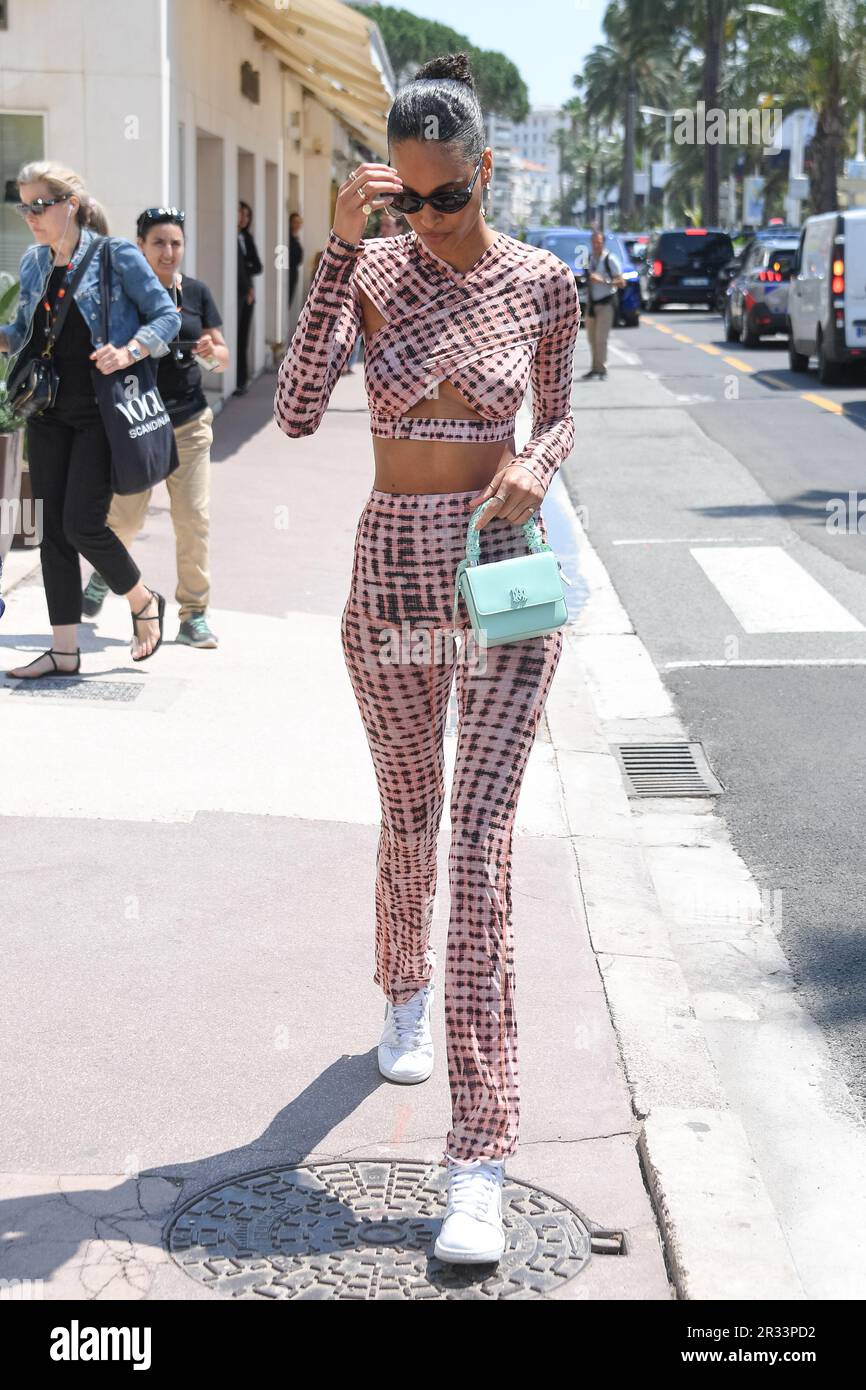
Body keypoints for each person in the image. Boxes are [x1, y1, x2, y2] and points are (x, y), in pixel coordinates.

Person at [274, 51, 580, 1265]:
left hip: (502, 577)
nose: (427, 215)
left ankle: (479, 1159)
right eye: (407, 196)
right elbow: (298, 410)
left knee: (480, 841)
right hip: (391, 570)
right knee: (409, 815)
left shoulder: (543, 283)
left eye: (445, 194)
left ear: (485, 172)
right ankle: (399, 983)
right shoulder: (373, 268)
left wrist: (536, 464)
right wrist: (340, 250)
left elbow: (555, 410)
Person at [0, 161, 181, 678]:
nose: (31, 215)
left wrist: (129, 351)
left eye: (40, 204)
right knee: (52, 533)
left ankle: (142, 598)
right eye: (24, 205)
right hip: (47, 413)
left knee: (81, 524)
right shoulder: (35, 264)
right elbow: (21, 331)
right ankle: (63, 650)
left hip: (102, 414)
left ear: (70, 205)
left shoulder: (114, 254)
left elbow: (164, 316)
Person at [81, 207, 229, 649]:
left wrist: (208, 350)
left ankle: (194, 615)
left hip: (188, 422)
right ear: (140, 246)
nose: (169, 252)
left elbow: (221, 356)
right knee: (124, 519)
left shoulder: (197, 293)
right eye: (159, 243)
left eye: (176, 243)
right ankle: (108, 575)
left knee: (193, 520)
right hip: (138, 424)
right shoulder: (123, 296)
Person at [582, 227, 624, 380]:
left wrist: (604, 280)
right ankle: (594, 368)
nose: (596, 245)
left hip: (606, 303)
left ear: (603, 243)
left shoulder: (610, 259)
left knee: (601, 338)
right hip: (592, 304)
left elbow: (621, 282)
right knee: (591, 339)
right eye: (594, 242)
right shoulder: (589, 259)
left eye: (598, 242)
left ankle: (602, 369)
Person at [235, 200, 262, 395]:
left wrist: (246, 271)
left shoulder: (245, 237)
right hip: (238, 293)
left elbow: (257, 266)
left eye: (247, 215)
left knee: (242, 338)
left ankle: (241, 380)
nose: (244, 219)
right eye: (241, 214)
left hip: (246, 295)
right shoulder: (231, 236)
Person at [288, 210, 303, 312]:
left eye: (299, 222)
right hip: (288, 274)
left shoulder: (295, 238)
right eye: (295, 222)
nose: (297, 225)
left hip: (293, 274)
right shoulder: (288, 238)